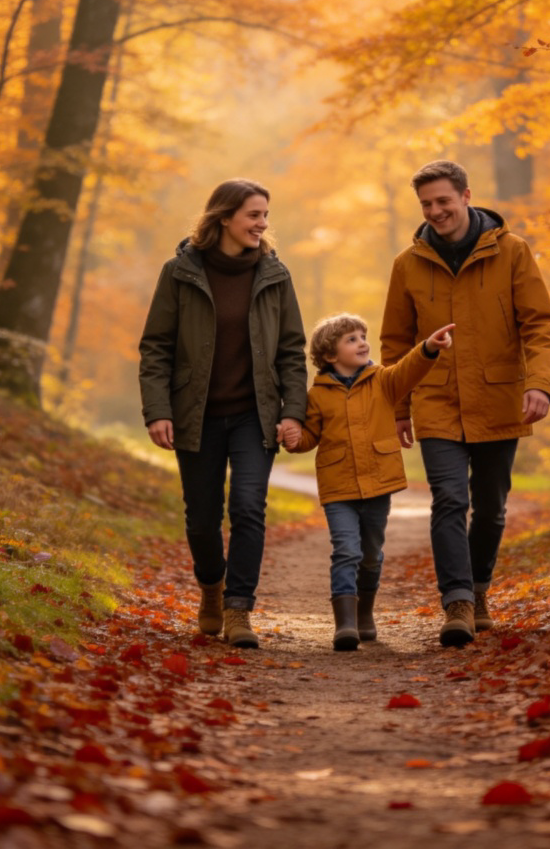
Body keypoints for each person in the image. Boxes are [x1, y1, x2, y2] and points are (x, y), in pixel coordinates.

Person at [381, 160, 550, 647]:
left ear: (465, 195)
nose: (436, 211)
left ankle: (479, 588)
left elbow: (541, 324)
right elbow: (395, 343)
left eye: (443, 200)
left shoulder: (513, 252)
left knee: (492, 507)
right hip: (435, 398)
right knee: (449, 500)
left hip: (500, 396)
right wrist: (398, 408)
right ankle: (457, 603)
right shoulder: (407, 264)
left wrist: (540, 385)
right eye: (426, 204)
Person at [139, 179, 307, 649]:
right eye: (254, 215)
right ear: (224, 218)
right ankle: (211, 588)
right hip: (197, 415)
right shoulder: (180, 272)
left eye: (265, 215)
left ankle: (238, 609)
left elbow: (292, 351)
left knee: (249, 508)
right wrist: (157, 411)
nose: (263, 224)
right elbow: (156, 347)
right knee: (202, 518)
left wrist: (293, 411)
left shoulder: (275, 275)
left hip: (256, 413)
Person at [280, 314, 455, 651]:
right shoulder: (317, 395)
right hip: (338, 485)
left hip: (378, 482)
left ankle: (364, 614)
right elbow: (308, 438)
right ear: (330, 355)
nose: (362, 342)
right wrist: (292, 437)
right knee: (346, 550)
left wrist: (429, 348)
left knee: (370, 554)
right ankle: (344, 624)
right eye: (351, 339)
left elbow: (409, 370)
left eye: (363, 335)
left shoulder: (382, 381)